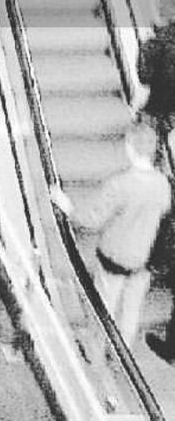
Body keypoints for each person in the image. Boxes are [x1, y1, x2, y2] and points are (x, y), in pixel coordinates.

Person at [50, 122, 170, 350]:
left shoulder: (120, 184)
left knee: (104, 307)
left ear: (130, 147)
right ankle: (123, 353)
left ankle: (96, 351)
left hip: (115, 257)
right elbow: (163, 210)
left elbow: (90, 220)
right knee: (131, 310)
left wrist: (67, 206)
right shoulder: (162, 184)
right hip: (145, 258)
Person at [135, 0, 175, 167]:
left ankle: (157, 166)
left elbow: (144, 77)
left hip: (158, 107)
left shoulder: (152, 45)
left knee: (147, 130)